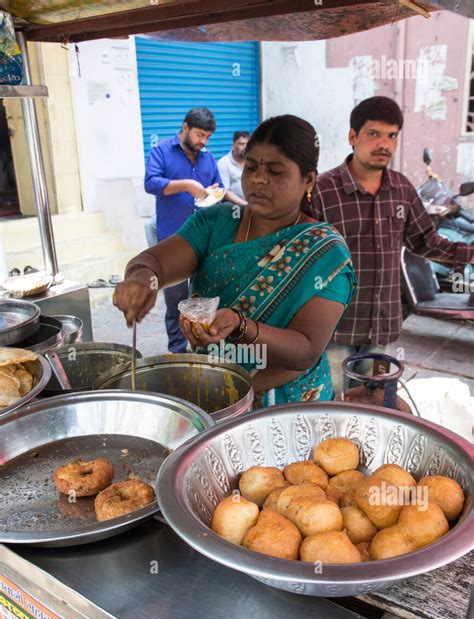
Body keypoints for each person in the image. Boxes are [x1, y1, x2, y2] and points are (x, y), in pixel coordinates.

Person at [114, 115, 356, 404]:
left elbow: (306, 350)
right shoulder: (215, 222)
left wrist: (242, 327)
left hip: (288, 406)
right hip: (210, 397)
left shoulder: (325, 252)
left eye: (276, 171)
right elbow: (155, 261)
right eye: (251, 167)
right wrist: (143, 278)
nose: (258, 179)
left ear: (308, 180)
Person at [313, 96, 474, 398]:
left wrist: (470, 254)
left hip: (380, 328)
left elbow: (425, 241)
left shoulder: (401, 189)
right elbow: (302, 256)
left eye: (392, 136)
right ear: (353, 136)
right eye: (373, 134)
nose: (383, 144)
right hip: (334, 327)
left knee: (373, 407)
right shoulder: (324, 190)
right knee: (334, 408)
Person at [144, 107, 223, 353]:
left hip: (205, 238)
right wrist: (186, 186)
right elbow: (151, 182)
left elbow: (217, 186)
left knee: (203, 295)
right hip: (173, 238)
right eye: (200, 135)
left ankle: (202, 347)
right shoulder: (162, 151)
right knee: (176, 299)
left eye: (208, 137)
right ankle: (178, 351)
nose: (203, 142)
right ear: (185, 127)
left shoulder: (207, 157)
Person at [217, 131, 249, 205]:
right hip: (235, 204)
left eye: (247, 144)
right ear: (233, 144)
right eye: (241, 144)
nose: (245, 147)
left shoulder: (253, 161)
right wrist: (245, 204)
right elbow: (224, 192)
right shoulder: (224, 163)